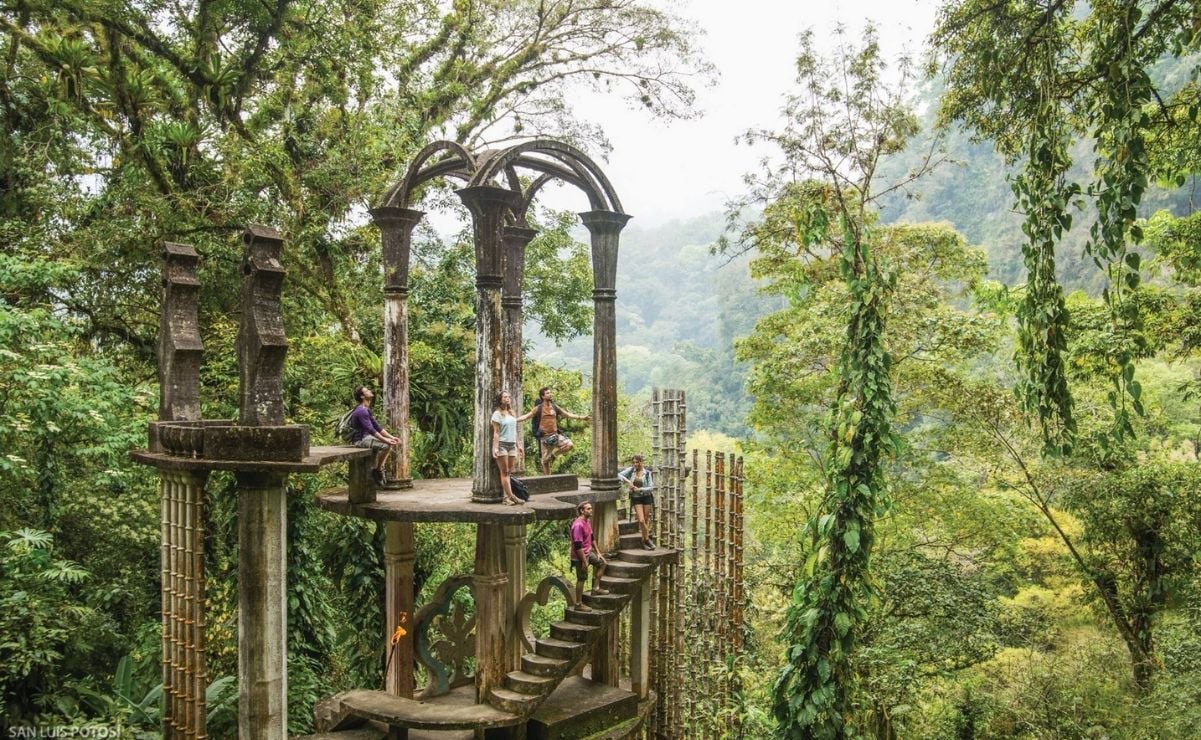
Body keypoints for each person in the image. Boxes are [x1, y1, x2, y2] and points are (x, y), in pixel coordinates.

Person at [530, 387, 590, 475]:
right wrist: (537, 434)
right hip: (543, 437)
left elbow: (567, 414)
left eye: (550, 393)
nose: (550, 394)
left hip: (554, 435)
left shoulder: (553, 406)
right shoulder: (538, 408)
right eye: (548, 393)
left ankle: (553, 456)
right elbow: (532, 422)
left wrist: (581, 417)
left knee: (569, 445)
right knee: (545, 462)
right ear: (542, 397)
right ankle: (548, 480)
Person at [348, 385, 400, 485]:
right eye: (366, 391)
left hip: (367, 437)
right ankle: (378, 470)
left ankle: (379, 468)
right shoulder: (361, 411)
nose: (370, 391)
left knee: (388, 443)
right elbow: (371, 430)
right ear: (362, 397)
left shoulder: (366, 409)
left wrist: (392, 437)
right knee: (386, 445)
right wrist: (386, 441)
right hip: (360, 440)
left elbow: (377, 427)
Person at [492, 390, 536, 505]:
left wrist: (518, 445)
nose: (507, 398)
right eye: (505, 397)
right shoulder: (497, 414)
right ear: (500, 399)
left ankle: (507, 497)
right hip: (502, 444)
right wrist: (495, 448)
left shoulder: (511, 413)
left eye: (508, 397)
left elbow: (514, 430)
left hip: (512, 445)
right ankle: (510, 497)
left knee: (508, 472)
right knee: (504, 472)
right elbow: (496, 433)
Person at [570, 500, 608, 611]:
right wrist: (584, 561)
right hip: (579, 556)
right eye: (588, 509)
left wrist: (598, 552)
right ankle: (578, 604)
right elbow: (577, 545)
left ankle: (596, 588)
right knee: (581, 578)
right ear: (582, 511)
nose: (591, 510)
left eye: (591, 508)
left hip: (588, 552)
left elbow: (591, 538)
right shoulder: (578, 525)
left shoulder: (587, 521)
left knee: (602, 563)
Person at [618, 455, 656, 550]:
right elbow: (617, 474)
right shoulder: (631, 471)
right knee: (641, 520)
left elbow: (651, 487)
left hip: (646, 497)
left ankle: (643, 542)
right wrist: (627, 481)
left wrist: (640, 489)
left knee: (646, 520)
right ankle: (647, 539)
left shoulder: (647, 473)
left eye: (637, 462)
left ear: (641, 462)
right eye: (634, 462)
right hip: (636, 498)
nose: (635, 464)